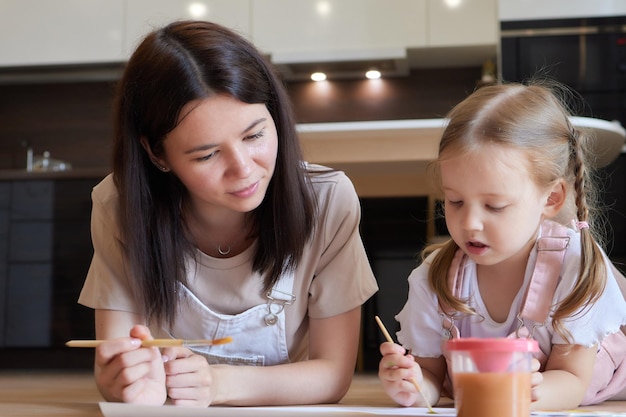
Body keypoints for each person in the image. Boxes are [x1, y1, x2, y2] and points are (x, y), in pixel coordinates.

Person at [78, 20, 378, 407]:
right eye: (207, 154)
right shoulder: (118, 207)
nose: (244, 168)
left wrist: (217, 385)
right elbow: (117, 363)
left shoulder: (327, 202)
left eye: (254, 135)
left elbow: (333, 374)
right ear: (157, 154)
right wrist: (124, 381)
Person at [378, 81, 626, 411]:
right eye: (455, 201)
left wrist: (527, 391)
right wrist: (411, 384)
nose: (469, 223)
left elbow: (571, 380)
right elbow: (431, 377)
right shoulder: (434, 278)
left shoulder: (573, 267)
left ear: (551, 198)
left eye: (494, 206)